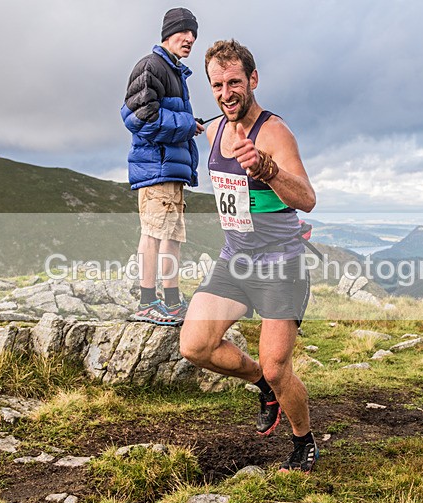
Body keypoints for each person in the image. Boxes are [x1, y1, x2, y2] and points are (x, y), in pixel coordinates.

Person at [179, 40, 319, 473]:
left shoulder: (275, 133)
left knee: (280, 367)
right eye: (217, 84)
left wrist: (267, 169)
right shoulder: (215, 129)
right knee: (195, 345)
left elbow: (308, 199)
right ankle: (260, 384)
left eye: (235, 82)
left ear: (252, 81)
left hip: (281, 265)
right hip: (236, 260)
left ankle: (303, 442)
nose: (226, 92)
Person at [121, 7, 203, 326]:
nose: (191, 38)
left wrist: (188, 124)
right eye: (185, 31)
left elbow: (166, 117)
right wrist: (185, 123)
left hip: (172, 171)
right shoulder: (151, 66)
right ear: (168, 32)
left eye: (194, 33)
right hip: (155, 169)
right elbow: (138, 116)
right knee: (154, 233)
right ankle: (146, 301)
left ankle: (171, 300)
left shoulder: (175, 72)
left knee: (172, 235)